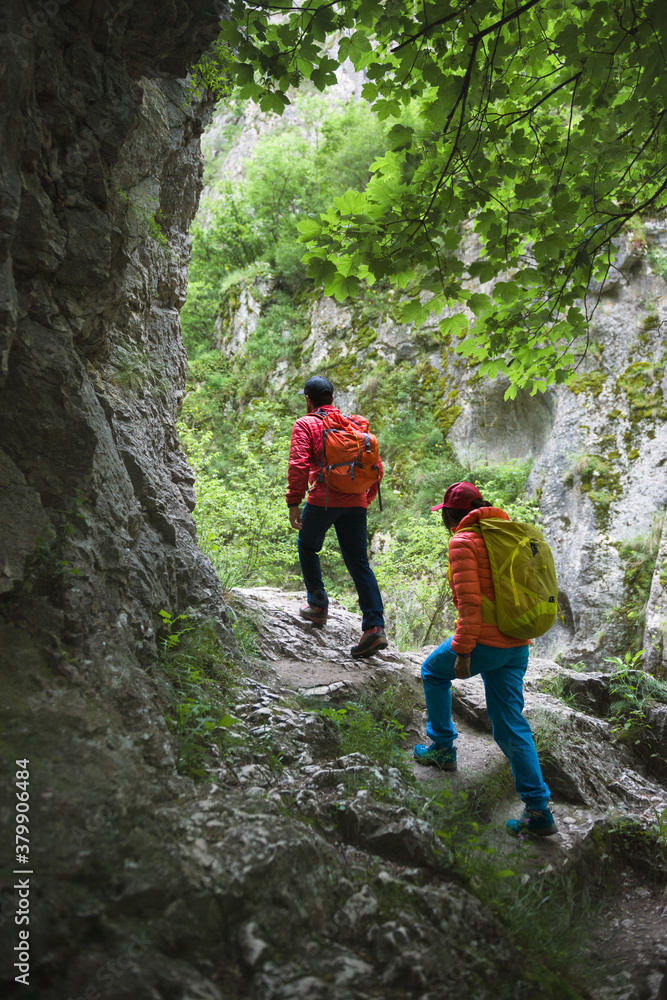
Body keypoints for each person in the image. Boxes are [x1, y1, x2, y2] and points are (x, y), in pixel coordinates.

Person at [413, 481, 557, 836]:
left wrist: (463, 651)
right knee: (511, 724)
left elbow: (470, 604)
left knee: (432, 671)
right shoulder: (505, 534)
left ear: (451, 516)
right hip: (517, 643)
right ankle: (539, 811)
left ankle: (443, 747)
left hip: (485, 643)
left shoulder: (463, 542)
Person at [286, 375, 388, 659]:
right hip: (356, 502)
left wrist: (294, 501)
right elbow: (375, 467)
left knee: (308, 546)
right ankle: (374, 627)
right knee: (359, 563)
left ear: (308, 400)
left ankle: (318, 607)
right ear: (332, 398)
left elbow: (298, 463)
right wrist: (362, 499)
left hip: (323, 500)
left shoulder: (306, 424)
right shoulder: (353, 425)